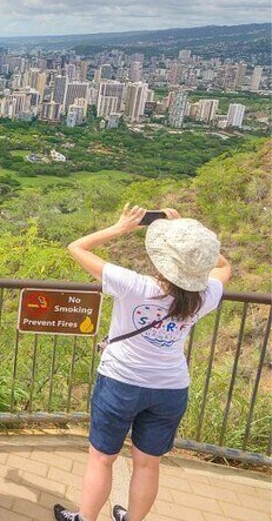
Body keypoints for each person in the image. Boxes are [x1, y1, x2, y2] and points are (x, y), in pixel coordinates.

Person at [54, 205, 231, 521]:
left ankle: (86, 518)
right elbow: (223, 266)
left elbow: (75, 247)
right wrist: (191, 239)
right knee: (148, 464)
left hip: (120, 382)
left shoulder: (134, 284)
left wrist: (120, 228)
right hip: (170, 389)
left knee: (101, 459)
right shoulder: (206, 295)